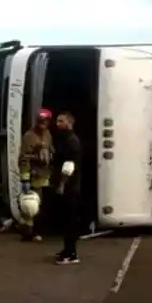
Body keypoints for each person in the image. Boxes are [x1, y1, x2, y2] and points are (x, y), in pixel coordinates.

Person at [51, 111, 87, 265]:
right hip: (69, 185)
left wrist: (61, 184)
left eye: (60, 121)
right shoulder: (66, 139)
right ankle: (67, 249)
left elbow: (69, 165)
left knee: (70, 220)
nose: (57, 124)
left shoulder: (71, 141)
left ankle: (71, 253)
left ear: (69, 123)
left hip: (70, 186)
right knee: (66, 219)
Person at [17, 109, 54, 242]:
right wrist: (25, 177)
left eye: (45, 121)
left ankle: (37, 231)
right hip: (34, 176)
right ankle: (27, 233)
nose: (42, 123)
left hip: (45, 174)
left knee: (42, 205)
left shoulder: (48, 134)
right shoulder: (29, 136)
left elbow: (51, 150)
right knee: (30, 205)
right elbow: (23, 158)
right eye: (40, 121)